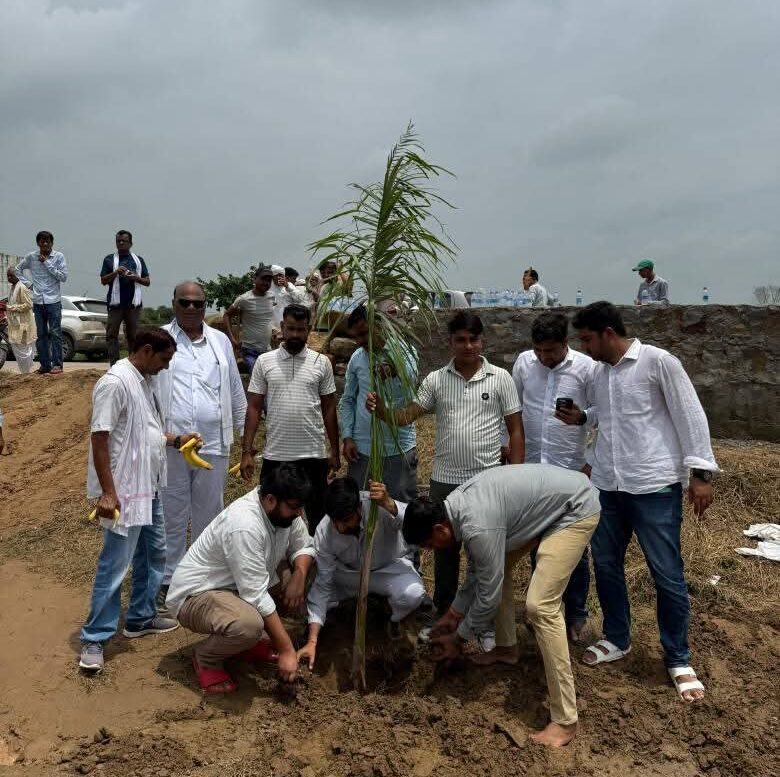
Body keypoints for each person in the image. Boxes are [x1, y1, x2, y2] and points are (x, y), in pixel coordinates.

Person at [565, 301, 717, 703]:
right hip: (608, 484)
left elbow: (690, 414)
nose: (585, 348)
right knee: (606, 565)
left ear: (608, 333)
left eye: (587, 339)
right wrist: (583, 418)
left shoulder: (658, 362)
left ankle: (678, 657)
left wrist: (701, 474)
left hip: (654, 485)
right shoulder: (600, 373)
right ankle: (618, 637)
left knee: (666, 572)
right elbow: (608, 414)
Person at [403, 465, 601, 747]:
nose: (431, 550)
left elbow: (489, 595)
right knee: (499, 567)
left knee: (540, 606)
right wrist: (454, 614)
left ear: (439, 528)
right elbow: (480, 570)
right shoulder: (457, 509)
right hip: (551, 505)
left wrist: (459, 638)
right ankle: (507, 649)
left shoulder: (477, 525)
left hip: (574, 508)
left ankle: (566, 721)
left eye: (428, 545)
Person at [367, 311, 524, 615]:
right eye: (461, 340)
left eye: (473, 339)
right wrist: (382, 410)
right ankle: (443, 613)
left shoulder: (500, 378)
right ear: (450, 343)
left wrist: (514, 478)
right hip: (445, 480)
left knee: (484, 554)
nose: (468, 346)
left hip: (487, 481)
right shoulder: (436, 379)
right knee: (444, 550)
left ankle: (482, 618)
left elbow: (516, 430)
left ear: (482, 341)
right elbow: (407, 416)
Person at [78, 327, 194, 674]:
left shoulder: (144, 382)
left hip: (149, 487)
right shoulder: (115, 383)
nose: (166, 366)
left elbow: (147, 432)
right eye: (164, 359)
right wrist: (108, 491)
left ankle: (141, 618)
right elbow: (100, 438)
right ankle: (94, 638)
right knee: (115, 565)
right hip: (125, 491)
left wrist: (176, 440)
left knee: (154, 554)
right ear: (146, 351)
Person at [165, 464, 314, 693]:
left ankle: (245, 645)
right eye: (294, 508)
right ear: (270, 499)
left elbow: (304, 546)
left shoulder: (285, 513)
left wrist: (300, 575)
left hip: (238, 588)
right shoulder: (244, 524)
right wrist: (286, 650)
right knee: (249, 625)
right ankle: (206, 659)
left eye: (300, 508)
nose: (299, 514)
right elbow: (256, 595)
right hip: (198, 594)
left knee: (306, 570)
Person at [155, 282, 247, 609]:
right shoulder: (161, 338)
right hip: (172, 445)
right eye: (185, 302)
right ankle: (169, 580)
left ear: (206, 306)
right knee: (172, 513)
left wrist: (245, 443)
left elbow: (234, 389)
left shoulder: (220, 341)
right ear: (174, 303)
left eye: (198, 303)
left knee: (210, 513)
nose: (192, 308)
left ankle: (201, 578)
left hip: (214, 442)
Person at [510, 312, 597, 642]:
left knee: (574, 547)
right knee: (539, 543)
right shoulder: (524, 363)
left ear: (565, 343)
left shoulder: (586, 368)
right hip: (533, 469)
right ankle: (544, 612)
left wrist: (583, 421)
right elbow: (513, 409)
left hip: (571, 471)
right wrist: (509, 449)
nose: (544, 357)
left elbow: (603, 414)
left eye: (551, 351)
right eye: (539, 351)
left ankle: (576, 615)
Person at [298, 478, 424, 669]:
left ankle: (390, 619)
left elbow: (415, 522)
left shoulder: (378, 507)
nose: (341, 528)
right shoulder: (324, 531)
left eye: (346, 520)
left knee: (412, 594)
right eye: (336, 522)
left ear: (358, 507)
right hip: (350, 576)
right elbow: (324, 583)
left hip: (389, 569)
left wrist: (390, 504)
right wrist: (312, 641)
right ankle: (341, 617)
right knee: (315, 598)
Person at [241, 303, 340, 534]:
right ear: (282, 327)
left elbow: (329, 409)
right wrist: (246, 452)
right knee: (273, 519)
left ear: (309, 330)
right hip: (277, 456)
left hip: (313, 455)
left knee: (318, 521)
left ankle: (314, 557)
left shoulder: (321, 362)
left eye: (301, 329)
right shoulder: (264, 361)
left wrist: (334, 451)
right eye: (291, 328)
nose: (295, 334)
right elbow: (254, 408)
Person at [340, 304, 418, 501]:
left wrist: (394, 369)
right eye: (356, 336)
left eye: (364, 334)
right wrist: (347, 437)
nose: (360, 341)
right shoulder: (357, 358)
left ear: (380, 327)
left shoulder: (405, 353)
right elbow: (348, 400)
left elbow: (411, 377)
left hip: (398, 447)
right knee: (361, 504)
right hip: (362, 448)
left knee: (399, 507)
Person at [15, 230, 68, 375]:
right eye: (42, 241)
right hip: (38, 301)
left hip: (54, 301)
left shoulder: (58, 257)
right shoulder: (31, 257)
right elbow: (18, 270)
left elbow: (63, 277)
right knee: (41, 334)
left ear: (52, 243)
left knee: (55, 333)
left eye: (47, 241)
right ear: (38, 243)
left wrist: (47, 263)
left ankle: (57, 365)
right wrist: (29, 284)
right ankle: (45, 365)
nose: (45, 244)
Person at [100, 230, 151, 364]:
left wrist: (135, 277)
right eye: (119, 241)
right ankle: (114, 364)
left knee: (133, 336)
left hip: (133, 305)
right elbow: (103, 280)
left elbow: (147, 282)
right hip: (115, 304)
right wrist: (115, 272)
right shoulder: (109, 259)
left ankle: (133, 365)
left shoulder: (138, 260)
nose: (121, 243)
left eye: (124, 241)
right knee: (111, 335)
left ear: (131, 243)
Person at [223, 264, 275, 372]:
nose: (266, 283)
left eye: (269, 280)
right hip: (250, 351)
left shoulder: (271, 297)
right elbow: (227, 315)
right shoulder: (244, 299)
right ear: (254, 279)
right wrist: (232, 339)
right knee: (257, 374)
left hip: (267, 350)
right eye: (263, 279)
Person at [5, 266, 36, 373]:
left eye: (11, 275)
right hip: (15, 323)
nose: (9, 278)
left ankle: (26, 373)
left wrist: (11, 308)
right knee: (17, 348)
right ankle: (24, 372)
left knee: (24, 349)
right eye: (8, 276)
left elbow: (28, 304)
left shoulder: (22, 287)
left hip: (24, 324)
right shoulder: (13, 287)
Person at [270, 264, 304, 328]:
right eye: (276, 275)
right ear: (272, 277)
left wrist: (288, 287)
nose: (279, 277)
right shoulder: (268, 288)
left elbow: (300, 299)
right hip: (273, 324)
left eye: (281, 275)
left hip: (289, 322)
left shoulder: (289, 285)